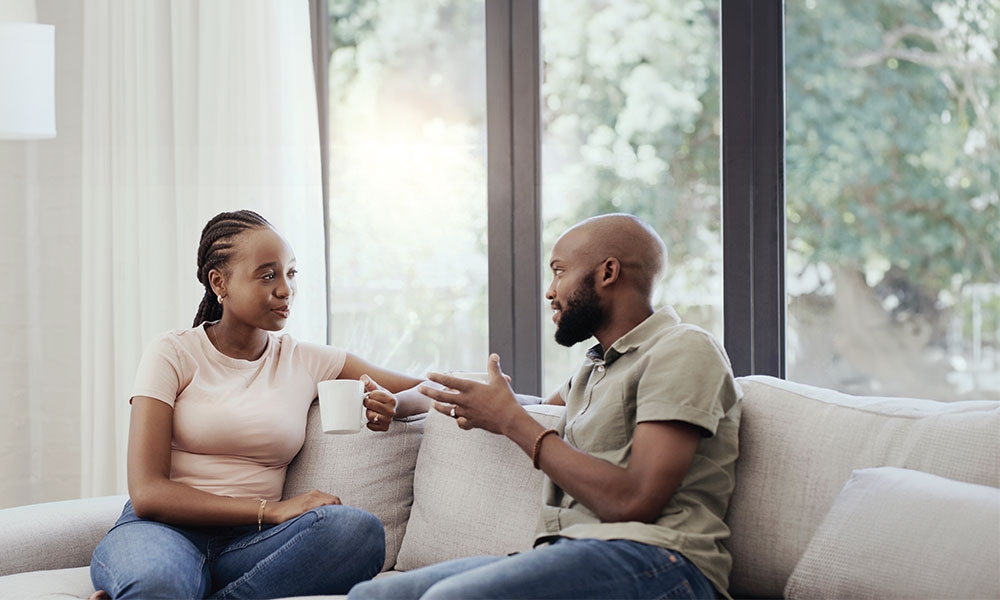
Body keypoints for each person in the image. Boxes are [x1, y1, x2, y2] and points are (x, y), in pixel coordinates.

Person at [349, 213, 742, 600]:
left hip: (663, 562)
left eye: (559, 271)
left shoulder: (683, 349)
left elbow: (635, 500)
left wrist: (510, 420)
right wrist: (407, 403)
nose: (550, 291)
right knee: (374, 596)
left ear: (608, 273)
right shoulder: (595, 369)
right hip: (571, 552)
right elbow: (527, 407)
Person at [90, 210, 431, 599]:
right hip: (162, 532)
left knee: (357, 532)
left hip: (253, 545)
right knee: (158, 582)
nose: (286, 289)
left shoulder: (307, 360)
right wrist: (268, 511)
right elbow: (149, 494)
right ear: (220, 283)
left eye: (291, 273)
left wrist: (393, 405)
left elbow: (426, 389)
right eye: (268, 275)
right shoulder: (173, 353)